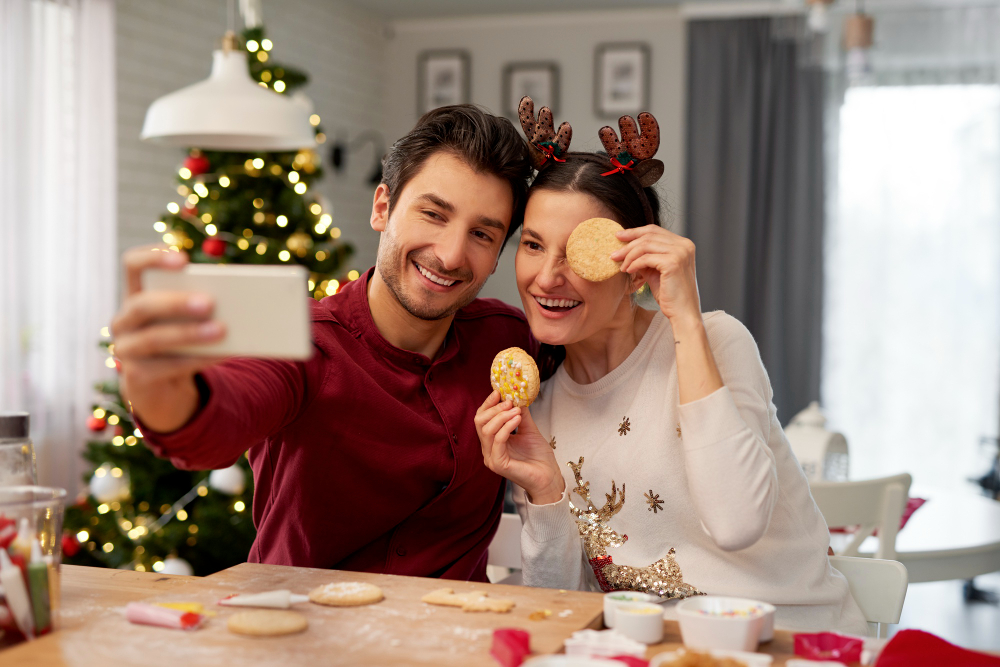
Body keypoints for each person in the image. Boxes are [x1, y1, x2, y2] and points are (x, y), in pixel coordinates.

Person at [474, 102, 867, 633]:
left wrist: (684, 317)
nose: (547, 277)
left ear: (636, 269)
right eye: (534, 245)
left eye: (575, 253)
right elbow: (562, 606)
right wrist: (545, 490)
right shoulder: (535, 407)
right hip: (655, 650)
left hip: (796, 641)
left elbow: (736, 523)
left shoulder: (715, 341)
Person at [112, 105, 535, 582]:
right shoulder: (302, 342)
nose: (452, 254)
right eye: (434, 214)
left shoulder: (507, 340)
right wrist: (158, 385)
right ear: (382, 208)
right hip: (304, 638)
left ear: (499, 252)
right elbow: (212, 424)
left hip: (456, 643)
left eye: (482, 233)